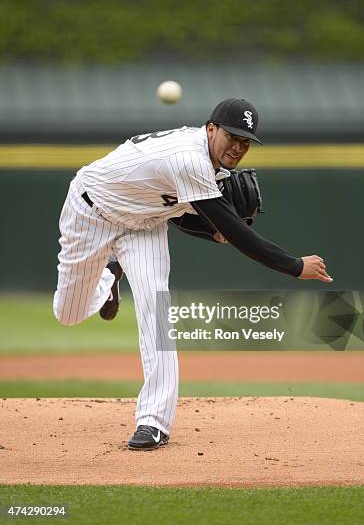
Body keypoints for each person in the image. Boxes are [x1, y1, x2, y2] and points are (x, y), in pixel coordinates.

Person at [53, 97, 332, 450]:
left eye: (246, 141)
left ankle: (153, 422)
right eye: (232, 136)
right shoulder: (189, 157)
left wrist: (211, 230)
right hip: (91, 211)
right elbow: (236, 232)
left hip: (145, 223)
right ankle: (109, 278)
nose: (238, 146)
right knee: (68, 314)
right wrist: (294, 266)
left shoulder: (212, 165)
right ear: (211, 129)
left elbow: (174, 209)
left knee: (157, 311)